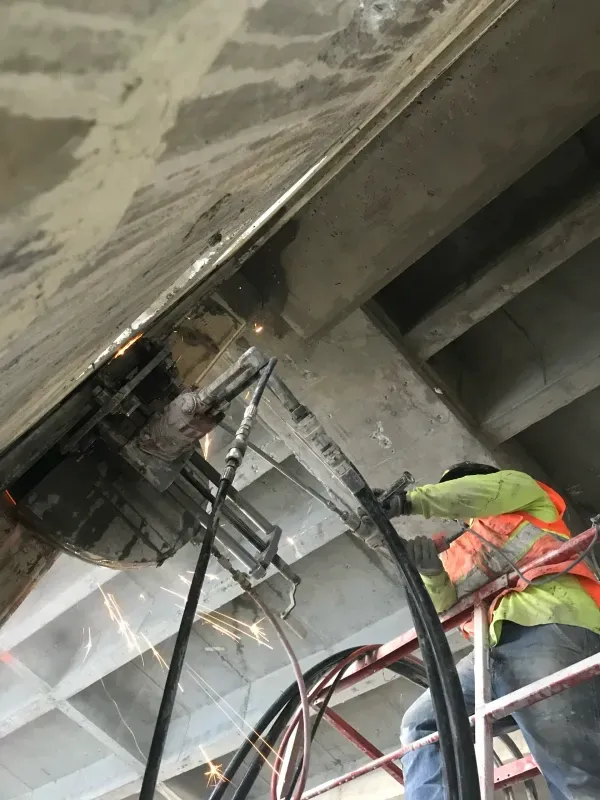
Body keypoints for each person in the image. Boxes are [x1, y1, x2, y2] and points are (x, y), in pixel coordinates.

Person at [383, 463, 600, 800]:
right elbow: (445, 607)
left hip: (547, 623)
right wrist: (430, 572)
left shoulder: (524, 493)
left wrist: (410, 501)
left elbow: (480, 492)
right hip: (492, 650)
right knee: (423, 723)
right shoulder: (459, 549)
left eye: (462, 491)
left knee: (569, 768)